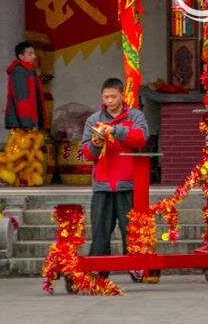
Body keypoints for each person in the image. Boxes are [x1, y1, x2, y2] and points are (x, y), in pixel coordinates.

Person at [81, 78, 150, 281]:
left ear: (122, 96)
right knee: (100, 229)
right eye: (106, 97)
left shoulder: (135, 116)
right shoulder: (93, 120)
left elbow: (141, 139)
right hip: (102, 184)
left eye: (113, 96)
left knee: (131, 229)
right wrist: (96, 143)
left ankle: (136, 265)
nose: (110, 100)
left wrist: (116, 131)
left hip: (127, 182)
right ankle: (98, 268)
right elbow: (86, 153)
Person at [4, 41, 48, 131]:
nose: (34, 56)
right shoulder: (19, 71)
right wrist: (26, 123)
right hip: (24, 123)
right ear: (21, 56)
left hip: (30, 121)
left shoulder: (30, 71)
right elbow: (21, 98)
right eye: (30, 54)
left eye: (34, 53)